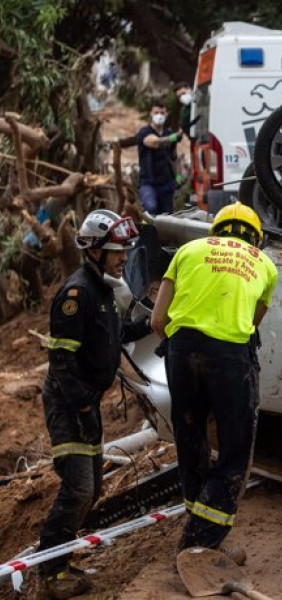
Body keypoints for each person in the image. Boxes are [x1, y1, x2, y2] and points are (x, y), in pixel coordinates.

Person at [150, 202, 278, 562]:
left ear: (215, 231)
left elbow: (157, 320)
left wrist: (177, 348)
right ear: (256, 238)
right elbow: (252, 324)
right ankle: (202, 543)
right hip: (230, 358)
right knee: (236, 448)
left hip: (182, 351)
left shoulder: (188, 251)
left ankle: (195, 521)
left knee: (190, 439)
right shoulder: (265, 264)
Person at [38, 210, 151, 599]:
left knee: (94, 487)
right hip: (69, 402)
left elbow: (116, 337)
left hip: (86, 402)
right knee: (79, 488)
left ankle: (63, 560)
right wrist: (84, 410)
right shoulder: (77, 293)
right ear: (96, 251)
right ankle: (49, 576)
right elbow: (61, 363)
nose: (124, 258)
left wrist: (156, 323)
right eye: (118, 251)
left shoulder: (104, 289)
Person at [136, 100, 182, 215]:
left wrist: (179, 175)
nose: (159, 116)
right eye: (156, 112)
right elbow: (155, 142)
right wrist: (172, 138)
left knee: (167, 216)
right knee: (150, 208)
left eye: (162, 113)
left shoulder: (168, 133)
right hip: (148, 183)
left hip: (167, 183)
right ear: (151, 114)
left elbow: (174, 157)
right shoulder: (144, 132)